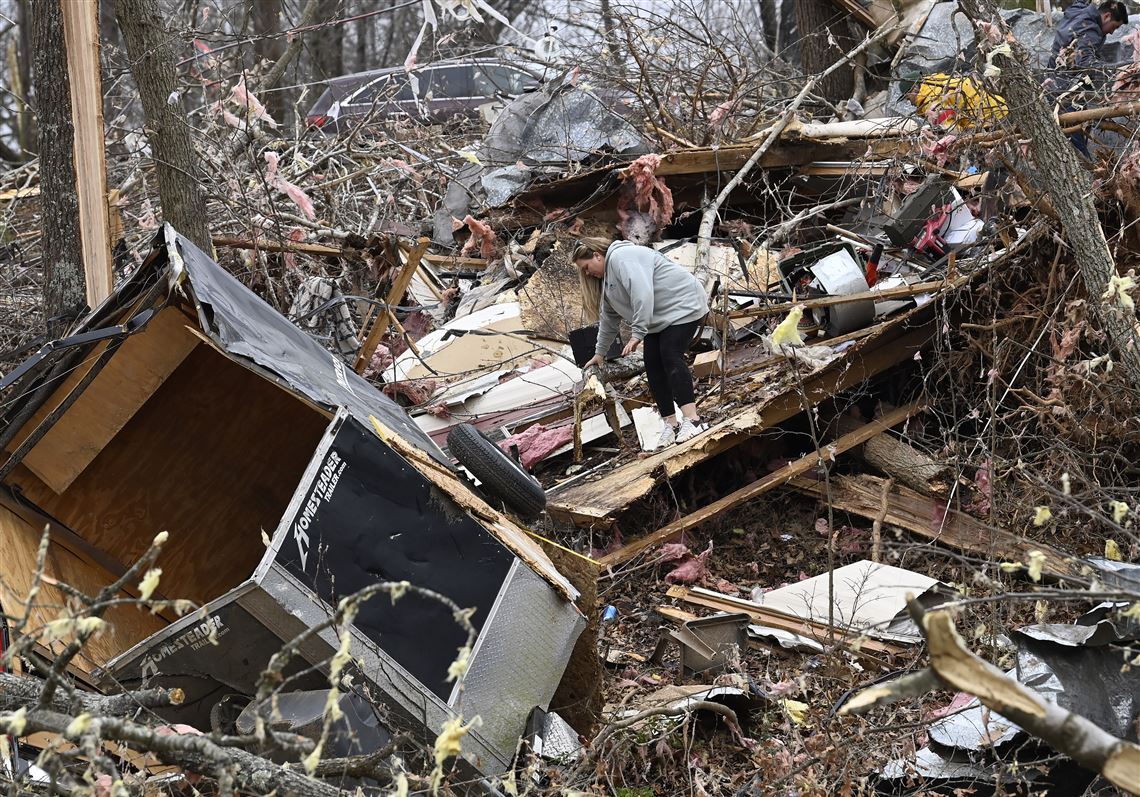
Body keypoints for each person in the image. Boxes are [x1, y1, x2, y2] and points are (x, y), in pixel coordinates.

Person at [574, 237, 709, 449]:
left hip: (684, 305)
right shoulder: (608, 285)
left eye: (587, 267)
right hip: (661, 319)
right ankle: (671, 424)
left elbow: (642, 293)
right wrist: (599, 353)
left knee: (670, 354)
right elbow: (608, 321)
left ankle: (693, 421)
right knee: (653, 366)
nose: (587, 273)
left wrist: (638, 334)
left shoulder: (621, 257)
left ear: (597, 256)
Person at [1049, 0, 1128, 71]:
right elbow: (1087, 64)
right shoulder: (1090, 32)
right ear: (1107, 16)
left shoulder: (1077, 8)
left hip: (1051, 69)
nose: (1111, 32)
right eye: (1114, 27)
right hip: (1062, 79)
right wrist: (1123, 66)